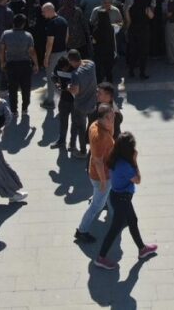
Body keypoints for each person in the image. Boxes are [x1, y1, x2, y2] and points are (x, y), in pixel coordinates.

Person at [93, 132, 158, 270]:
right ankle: (101, 258)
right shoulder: (125, 165)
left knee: (133, 221)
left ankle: (142, 249)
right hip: (122, 199)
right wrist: (135, 161)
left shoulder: (113, 157)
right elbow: (138, 180)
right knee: (114, 229)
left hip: (117, 196)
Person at [75, 103, 116, 243]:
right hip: (101, 175)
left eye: (113, 117)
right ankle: (82, 230)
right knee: (96, 206)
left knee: (108, 194)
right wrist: (104, 181)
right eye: (109, 118)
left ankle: (114, 213)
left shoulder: (96, 124)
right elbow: (98, 161)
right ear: (102, 118)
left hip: (100, 172)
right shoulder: (100, 136)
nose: (112, 120)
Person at [0, 14, 39, 114]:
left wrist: (2, 62)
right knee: (26, 88)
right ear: (23, 24)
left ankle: (14, 110)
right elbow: (32, 51)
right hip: (25, 64)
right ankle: (25, 108)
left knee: (12, 89)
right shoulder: (28, 35)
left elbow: (1, 50)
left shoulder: (5, 34)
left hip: (11, 64)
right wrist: (36, 64)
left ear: (13, 23)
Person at [124, 0, 155, 79]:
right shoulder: (146, 8)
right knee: (143, 53)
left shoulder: (130, 8)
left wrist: (127, 31)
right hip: (144, 31)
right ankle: (142, 72)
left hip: (133, 31)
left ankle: (131, 71)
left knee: (133, 52)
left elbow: (128, 21)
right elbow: (151, 17)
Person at [67, 49, 96, 156]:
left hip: (81, 105)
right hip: (92, 103)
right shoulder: (91, 65)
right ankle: (91, 147)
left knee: (81, 128)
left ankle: (83, 151)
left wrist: (69, 87)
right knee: (92, 127)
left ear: (71, 61)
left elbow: (76, 91)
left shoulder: (75, 74)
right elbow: (87, 61)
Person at [41, 3, 68, 107]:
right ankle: (65, 100)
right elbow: (67, 36)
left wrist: (46, 57)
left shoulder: (51, 24)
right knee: (62, 77)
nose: (42, 14)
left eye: (43, 11)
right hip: (63, 52)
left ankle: (50, 101)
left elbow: (50, 42)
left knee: (51, 77)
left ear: (49, 10)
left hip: (54, 54)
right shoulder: (63, 20)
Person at [89, 0, 117, 83]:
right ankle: (110, 84)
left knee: (99, 71)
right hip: (109, 51)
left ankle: (100, 84)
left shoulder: (97, 30)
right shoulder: (111, 28)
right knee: (109, 70)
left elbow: (94, 41)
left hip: (99, 53)